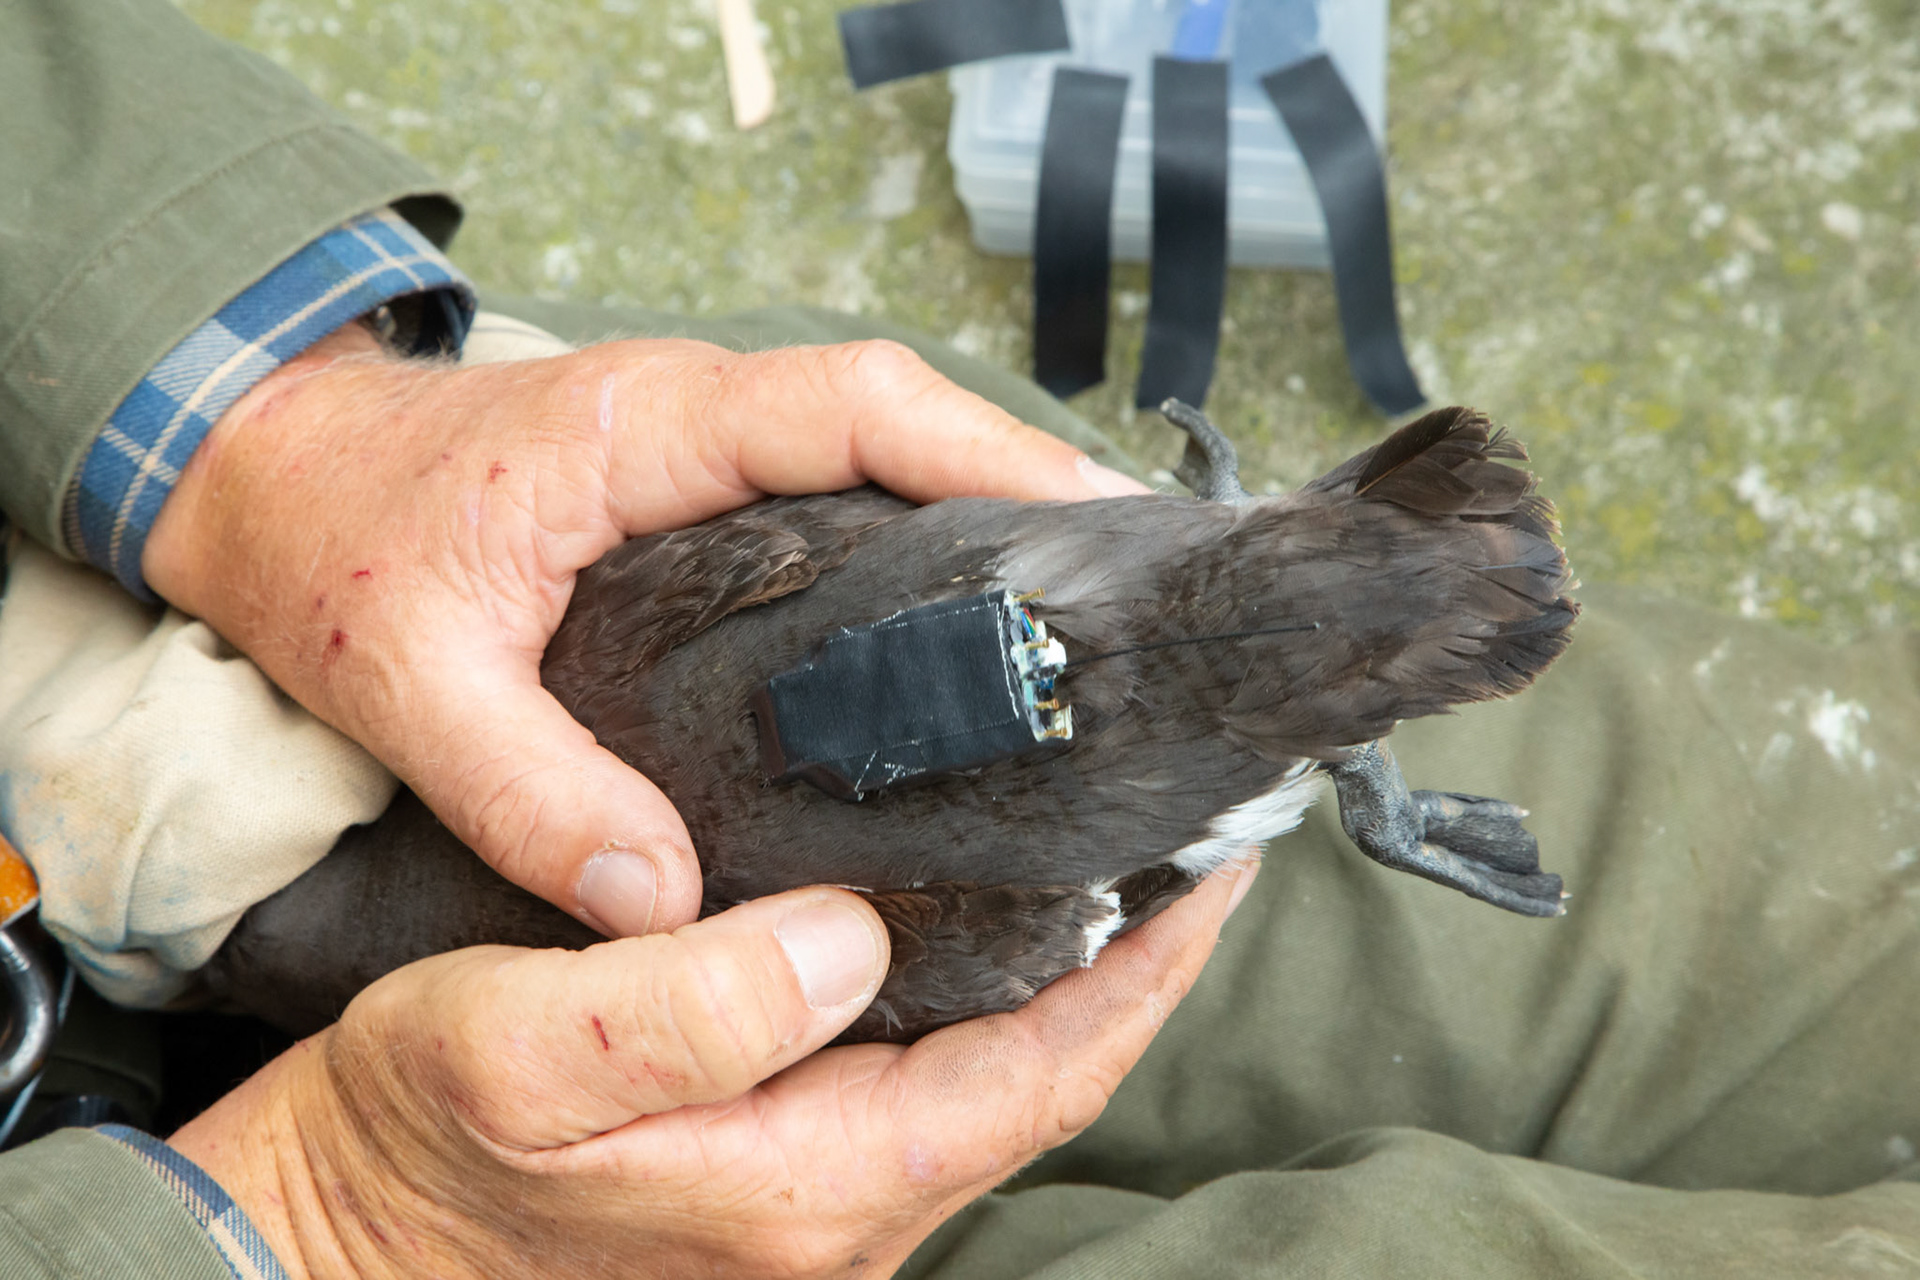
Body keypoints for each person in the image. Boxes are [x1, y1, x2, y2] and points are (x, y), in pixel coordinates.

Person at [3, 2, 1918, 1277]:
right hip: (252, 1182)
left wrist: (251, 411)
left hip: (198, 622)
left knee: (1789, 890)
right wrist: (323, 1228)